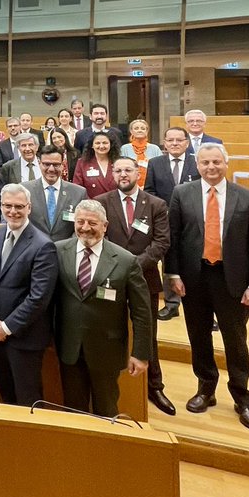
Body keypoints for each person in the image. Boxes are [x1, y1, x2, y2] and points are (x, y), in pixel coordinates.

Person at [166, 143, 249, 431]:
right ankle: (206, 389)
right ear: (197, 166)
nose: (211, 167)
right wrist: (173, 274)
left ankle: (242, 398)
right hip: (194, 277)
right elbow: (173, 238)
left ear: (226, 164)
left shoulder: (246, 197)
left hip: (232, 279)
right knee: (198, 336)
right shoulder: (181, 194)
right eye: (205, 163)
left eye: (216, 162)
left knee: (235, 341)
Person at [53, 200, 151, 417]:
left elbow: (142, 312)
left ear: (105, 226)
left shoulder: (126, 261)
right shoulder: (58, 251)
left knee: (106, 410)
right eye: (80, 221)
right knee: (72, 409)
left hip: (107, 350)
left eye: (92, 223)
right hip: (69, 347)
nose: (85, 227)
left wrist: (141, 354)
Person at [96, 158, 174, 416]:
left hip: (145, 280)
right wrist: (118, 269)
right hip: (109, 280)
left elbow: (161, 242)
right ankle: (114, 386)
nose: (122, 174)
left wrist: (131, 267)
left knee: (147, 334)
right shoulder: (102, 202)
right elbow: (98, 239)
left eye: (127, 170)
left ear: (138, 173)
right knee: (110, 331)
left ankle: (155, 385)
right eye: (117, 170)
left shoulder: (156, 204)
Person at [0, 185, 59, 407]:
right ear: (1, 206)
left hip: (24, 337)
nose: (13, 211)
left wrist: (6, 328)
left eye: (19, 207)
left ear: (29, 208)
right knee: (6, 394)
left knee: (28, 399)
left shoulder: (43, 245)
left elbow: (39, 298)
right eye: (7, 206)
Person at [144, 126, 199, 321]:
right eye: (170, 140)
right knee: (169, 259)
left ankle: (200, 306)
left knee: (194, 262)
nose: (174, 143)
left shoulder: (197, 162)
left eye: (179, 140)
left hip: (193, 222)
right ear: (164, 143)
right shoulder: (155, 163)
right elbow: (149, 191)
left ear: (187, 142)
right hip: (164, 221)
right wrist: (163, 209)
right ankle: (172, 304)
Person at [24, 145, 86, 242]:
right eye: (46, 164)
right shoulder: (25, 190)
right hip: (33, 250)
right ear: (39, 163)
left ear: (63, 165)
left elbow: (82, 225)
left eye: (56, 165)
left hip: (65, 251)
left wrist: (67, 245)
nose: (51, 169)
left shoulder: (78, 193)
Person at [72, 132, 120, 198]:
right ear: (92, 145)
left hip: (114, 204)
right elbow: (77, 188)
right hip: (91, 205)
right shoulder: (82, 163)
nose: (101, 146)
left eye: (105, 143)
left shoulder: (119, 162)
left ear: (111, 145)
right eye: (97, 143)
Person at [122, 119, 162, 184]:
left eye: (143, 129)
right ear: (131, 131)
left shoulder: (155, 148)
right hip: (130, 183)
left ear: (147, 131)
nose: (139, 130)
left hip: (151, 183)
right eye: (136, 128)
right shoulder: (125, 148)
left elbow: (160, 167)